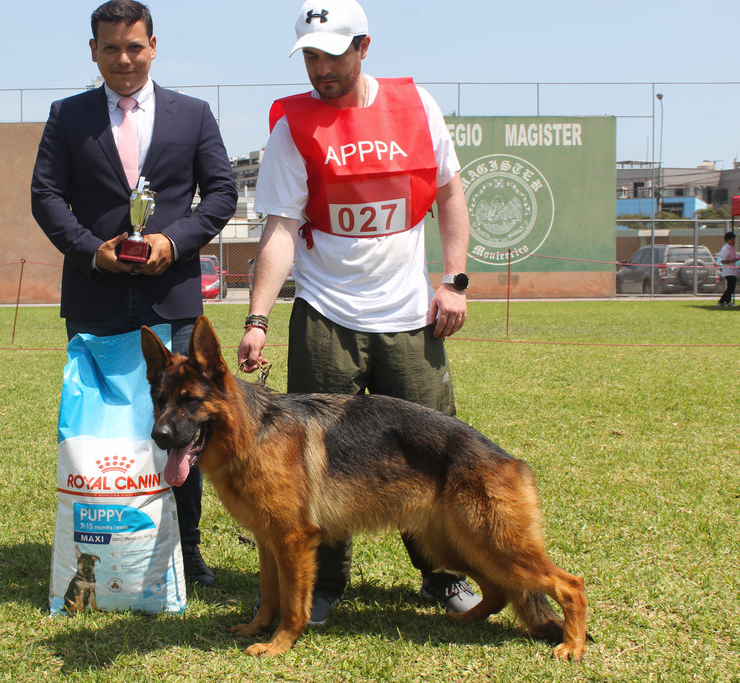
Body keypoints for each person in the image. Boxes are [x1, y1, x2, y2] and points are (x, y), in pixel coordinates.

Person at [237, 0, 481, 623]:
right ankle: (322, 585)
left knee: (430, 448)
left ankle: (442, 575)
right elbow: (280, 228)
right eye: (310, 57)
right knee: (316, 457)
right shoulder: (292, 127)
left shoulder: (417, 105)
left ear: (363, 47)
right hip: (325, 315)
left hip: (409, 315)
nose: (321, 69)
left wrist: (454, 282)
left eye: (333, 54)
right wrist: (258, 318)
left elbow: (451, 194)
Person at [31, 0, 238, 587]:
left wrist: (174, 241)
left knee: (184, 425)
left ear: (153, 47)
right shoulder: (67, 116)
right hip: (95, 297)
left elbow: (222, 192)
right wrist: (89, 249)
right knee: (103, 425)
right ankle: (105, 542)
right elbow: (46, 195)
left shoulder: (192, 114)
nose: (124, 59)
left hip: (171, 296)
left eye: (134, 47)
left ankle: (185, 549)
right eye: (111, 48)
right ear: (93, 51)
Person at [717, 232, 737, 307]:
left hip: (733, 270)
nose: (734, 241)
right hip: (728, 271)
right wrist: (733, 260)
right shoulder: (725, 248)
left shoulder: (732, 247)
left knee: (731, 287)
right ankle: (721, 301)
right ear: (728, 240)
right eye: (732, 239)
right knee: (731, 287)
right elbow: (723, 261)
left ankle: (728, 302)